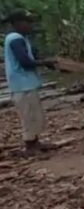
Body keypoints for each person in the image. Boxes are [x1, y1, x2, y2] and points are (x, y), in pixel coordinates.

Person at [3, 10, 55, 153]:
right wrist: (45, 62)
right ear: (17, 23)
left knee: (34, 115)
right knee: (29, 115)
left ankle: (35, 142)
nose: (30, 25)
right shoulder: (15, 38)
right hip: (22, 85)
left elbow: (32, 57)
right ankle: (30, 146)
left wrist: (48, 62)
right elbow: (25, 62)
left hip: (26, 84)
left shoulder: (21, 38)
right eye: (28, 22)